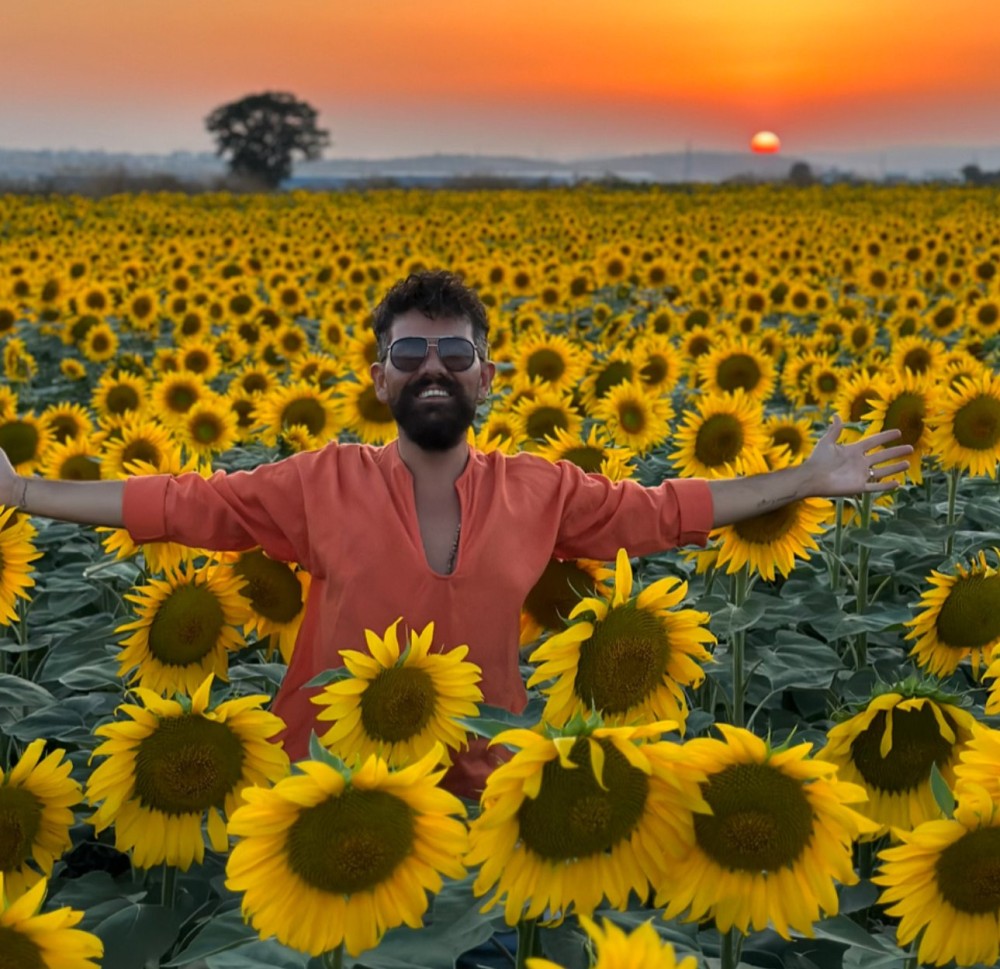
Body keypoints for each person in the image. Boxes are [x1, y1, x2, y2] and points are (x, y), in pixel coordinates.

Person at [0, 271, 912, 797]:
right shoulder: (320, 481)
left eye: (454, 354)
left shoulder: (545, 490)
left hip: (481, 793)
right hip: (327, 789)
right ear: (380, 377)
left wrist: (805, 480)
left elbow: (664, 511)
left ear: (487, 376)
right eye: (408, 354)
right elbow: (183, 504)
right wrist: (25, 490)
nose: (431, 367)